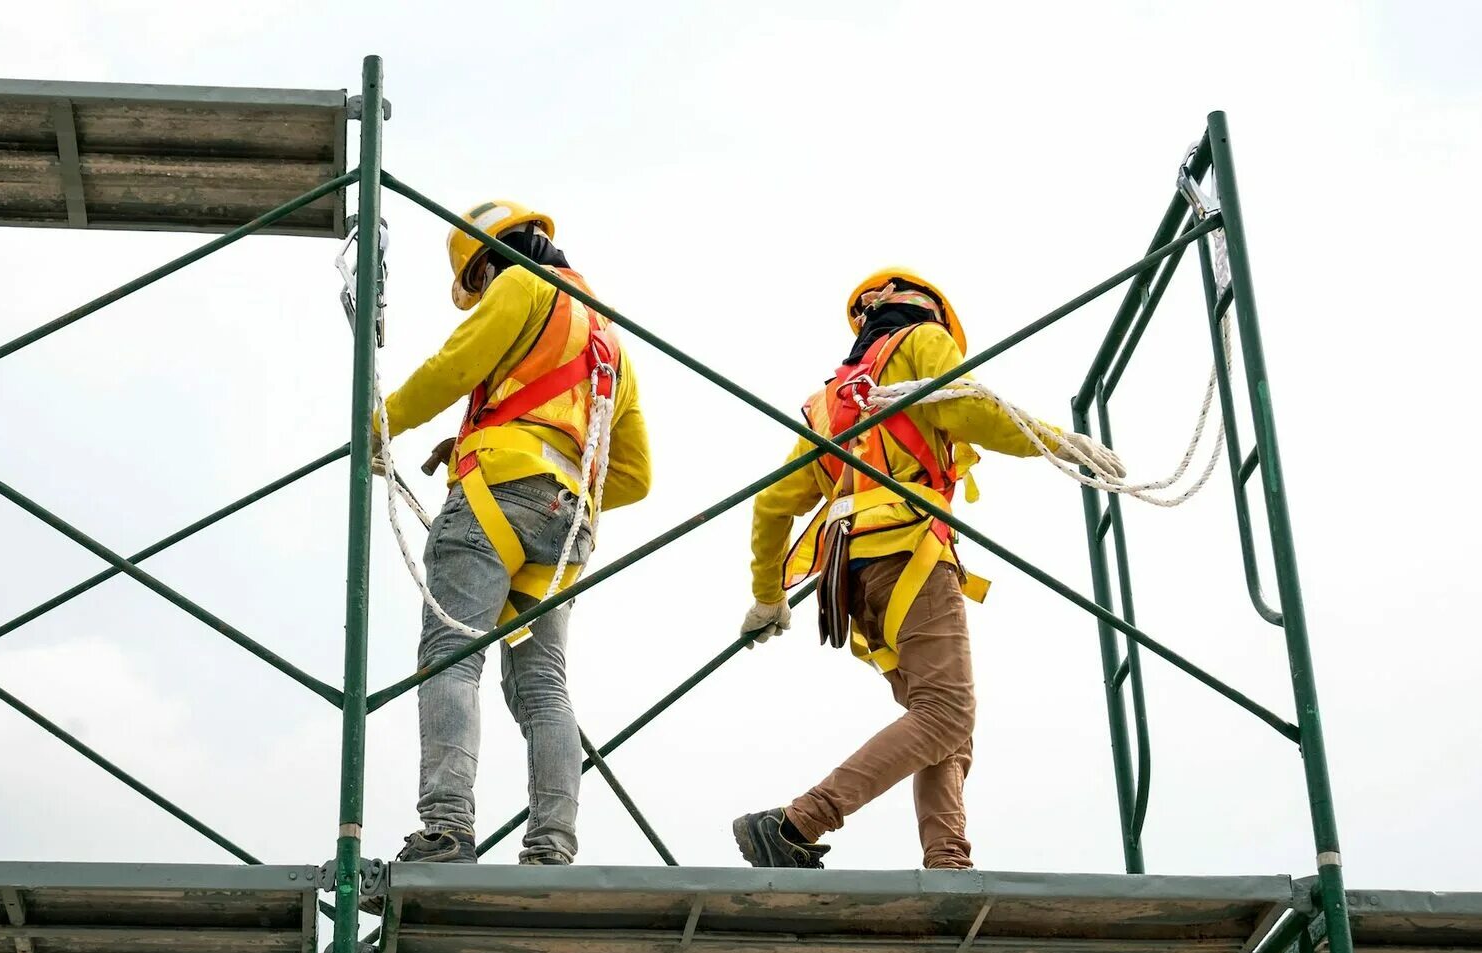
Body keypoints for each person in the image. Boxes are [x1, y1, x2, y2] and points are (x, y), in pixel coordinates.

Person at [731, 268, 1120, 870]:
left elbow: (773, 503)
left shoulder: (831, 402)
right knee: (948, 713)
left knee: (942, 721)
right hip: (910, 552)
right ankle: (795, 824)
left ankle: (947, 859)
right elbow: (970, 413)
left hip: (856, 577)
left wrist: (766, 596)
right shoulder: (921, 342)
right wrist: (1055, 442)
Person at [375, 200, 651, 866]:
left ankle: (447, 828)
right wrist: (557, 490)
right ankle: (552, 844)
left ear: (489, 262)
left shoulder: (519, 286)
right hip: (566, 527)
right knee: (543, 689)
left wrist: (378, 422)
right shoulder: (609, 339)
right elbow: (635, 476)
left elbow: (455, 366)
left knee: (450, 656)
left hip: (492, 498)